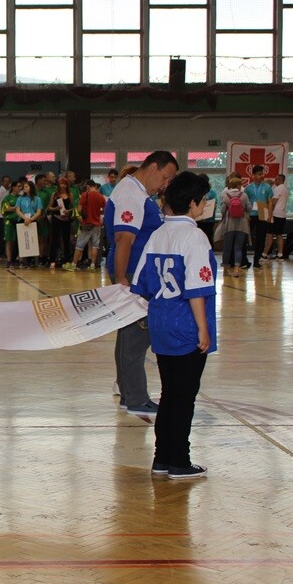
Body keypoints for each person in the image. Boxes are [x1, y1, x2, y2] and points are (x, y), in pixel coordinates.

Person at [130, 171, 216, 480]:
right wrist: (203, 329)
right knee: (184, 397)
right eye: (203, 200)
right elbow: (196, 288)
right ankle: (179, 459)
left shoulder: (157, 234)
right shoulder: (194, 236)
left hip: (160, 322)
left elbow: (140, 282)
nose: (205, 205)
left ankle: (162, 457)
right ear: (193, 203)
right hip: (186, 325)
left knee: (170, 393)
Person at [104, 150, 179, 417]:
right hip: (134, 274)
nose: (165, 184)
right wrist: (123, 279)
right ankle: (135, 397)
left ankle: (129, 391)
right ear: (152, 167)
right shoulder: (130, 194)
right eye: (166, 177)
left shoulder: (138, 193)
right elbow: (124, 238)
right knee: (138, 336)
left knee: (128, 335)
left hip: (139, 272)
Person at [65, 180, 104, 271]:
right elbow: (103, 209)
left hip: (86, 224)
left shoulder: (84, 195)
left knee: (79, 246)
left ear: (88, 186)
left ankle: (74, 264)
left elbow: (79, 210)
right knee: (95, 246)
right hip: (97, 224)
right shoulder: (100, 197)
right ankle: (93, 265)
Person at [218, 176, 251, 277]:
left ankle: (225, 270)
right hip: (242, 224)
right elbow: (249, 208)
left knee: (227, 248)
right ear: (238, 185)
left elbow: (222, 210)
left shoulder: (226, 195)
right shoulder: (244, 195)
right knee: (238, 248)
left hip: (229, 224)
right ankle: (237, 269)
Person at [243, 165, 273, 269]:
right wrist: (246, 214)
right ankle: (244, 260)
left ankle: (257, 261)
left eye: (262, 174)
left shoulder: (267, 187)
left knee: (260, 238)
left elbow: (270, 201)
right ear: (254, 175)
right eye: (259, 174)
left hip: (262, 214)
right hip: (251, 215)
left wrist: (269, 214)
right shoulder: (248, 188)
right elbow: (245, 202)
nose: (262, 176)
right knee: (245, 237)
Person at [15, 179, 44, 267]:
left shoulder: (37, 199)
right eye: (24, 187)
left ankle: (32, 259)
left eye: (26, 187)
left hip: (32, 220)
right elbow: (17, 210)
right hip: (23, 220)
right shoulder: (20, 198)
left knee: (32, 240)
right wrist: (24, 218)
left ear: (31, 188)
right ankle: (22, 259)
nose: (24, 188)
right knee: (23, 240)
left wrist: (31, 219)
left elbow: (39, 211)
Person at [46, 177, 74, 269]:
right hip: (56, 218)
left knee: (66, 240)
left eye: (65, 184)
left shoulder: (70, 195)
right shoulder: (54, 195)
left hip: (66, 219)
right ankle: (52, 260)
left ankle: (66, 259)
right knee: (54, 239)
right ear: (59, 185)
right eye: (61, 184)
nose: (63, 186)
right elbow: (49, 207)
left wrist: (68, 211)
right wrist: (56, 209)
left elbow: (73, 208)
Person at [262, 174, 289, 260]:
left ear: (280, 180)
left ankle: (264, 254)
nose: (275, 181)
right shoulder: (285, 189)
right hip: (282, 214)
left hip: (275, 214)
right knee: (279, 235)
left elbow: (273, 202)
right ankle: (280, 255)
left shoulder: (278, 189)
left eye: (276, 179)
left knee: (269, 234)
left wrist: (269, 214)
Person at [0, 177, 25, 268]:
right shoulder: (7, 198)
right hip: (9, 221)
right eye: (18, 186)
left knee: (20, 241)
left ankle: (20, 259)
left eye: (21, 186)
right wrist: (17, 207)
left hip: (19, 221)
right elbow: (7, 208)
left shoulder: (21, 198)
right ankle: (9, 260)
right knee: (9, 241)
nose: (20, 188)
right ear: (13, 187)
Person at [194, 173, 218, 244]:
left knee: (207, 238)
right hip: (201, 219)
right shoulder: (196, 192)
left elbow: (214, 205)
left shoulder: (211, 192)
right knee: (205, 238)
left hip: (206, 220)